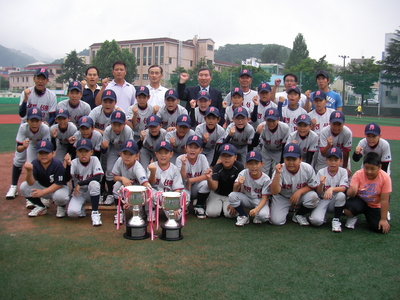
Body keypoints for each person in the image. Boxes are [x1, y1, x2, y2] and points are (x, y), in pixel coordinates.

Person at [269, 143, 319, 226]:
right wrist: (277, 174)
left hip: (300, 196)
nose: (291, 162)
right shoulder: (280, 169)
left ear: (300, 159)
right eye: (288, 159)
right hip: (283, 197)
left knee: (313, 197)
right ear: (284, 159)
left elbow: (313, 185)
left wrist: (299, 192)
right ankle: (284, 208)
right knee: (276, 221)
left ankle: (299, 213)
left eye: (294, 159)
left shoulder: (307, 168)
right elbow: (274, 191)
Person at [6, 108, 51, 202]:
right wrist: (23, 147)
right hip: (29, 144)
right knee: (27, 164)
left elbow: (47, 149)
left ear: (41, 121)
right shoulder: (23, 127)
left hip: (42, 146)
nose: (34, 123)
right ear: (27, 120)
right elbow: (18, 148)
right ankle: (24, 192)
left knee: (43, 163)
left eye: (37, 121)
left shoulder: (45, 128)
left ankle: (43, 191)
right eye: (32, 120)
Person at [19, 140, 70, 217]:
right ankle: (40, 206)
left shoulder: (57, 164)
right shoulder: (35, 163)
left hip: (57, 189)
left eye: (46, 153)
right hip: (43, 187)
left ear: (53, 153)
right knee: (24, 186)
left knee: (61, 196)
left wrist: (42, 192)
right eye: (41, 153)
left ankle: (61, 206)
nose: (43, 156)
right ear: (37, 154)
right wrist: (29, 172)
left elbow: (59, 184)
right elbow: (30, 183)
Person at [344, 152, 391, 234]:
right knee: (348, 209)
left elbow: (384, 200)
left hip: (375, 204)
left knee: (379, 228)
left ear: (380, 167)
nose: (369, 172)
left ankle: (382, 214)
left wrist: (383, 219)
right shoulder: (358, 174)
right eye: (366, 168)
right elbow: (349, 194)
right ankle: (354, 216)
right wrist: (352, 190)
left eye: (372, 169)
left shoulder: (385, 178)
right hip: (361, 200)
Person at [65, 138, 104, 226]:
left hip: (92, 193)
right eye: (81, 151)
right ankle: (81, 206)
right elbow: (67, 178)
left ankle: (95, 213)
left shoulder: (94, 160)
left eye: (86, 151)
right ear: (76, 152)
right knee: (72, 213)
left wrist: (80, 183)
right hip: (79, 192)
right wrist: (68, 166)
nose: (83, 154)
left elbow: (98, 177)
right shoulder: (74, 162)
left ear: (91, 152)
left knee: (94, 184)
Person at [309, 147, 349, 232]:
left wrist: (331, 189)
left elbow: (343, 188)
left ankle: (336, 219)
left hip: (336, 200)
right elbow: (319, 193)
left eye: (336, 160)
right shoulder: (321, 172)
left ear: (340, 161)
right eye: (330, 160)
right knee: (316, 221)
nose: (333, 163)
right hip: (324, 200)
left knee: (341, 195)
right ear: (326, 161)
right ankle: (323, 215)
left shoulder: (343, 172)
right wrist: (321, 185)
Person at [111, 140, 150, 225]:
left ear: (136, 156)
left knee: (140, 215)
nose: (127, 157)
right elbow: (114, 177)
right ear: (121, 154)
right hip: (126, 192)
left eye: (130, 154)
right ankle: (119, 212)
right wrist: (122, 178)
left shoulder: (138, 167)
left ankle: (144, 211)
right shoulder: (119, 161)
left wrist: (133, 201)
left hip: (137, 196)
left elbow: (145, 184)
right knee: (117, 185)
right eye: (125, 153)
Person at [228, 150, 271, 226]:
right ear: (246, 165)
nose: (254, 166)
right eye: (251, 164)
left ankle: (257, 216)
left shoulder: (266, 179)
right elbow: (234, 189)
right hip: (247, 198)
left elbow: (265, 198)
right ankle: (243, 215)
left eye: (256, 163)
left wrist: (257, 209)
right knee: (232, 195)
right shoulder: (243, 173)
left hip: (259, 200)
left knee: (264, 217)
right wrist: (238, 183)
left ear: (262, 164)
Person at [101, 110, 134, 205]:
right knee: (109, 170)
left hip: (126, 151)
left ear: (124, 124)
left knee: (126, 169)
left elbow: (130, 146)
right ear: (110, 123)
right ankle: (110, 194)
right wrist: (103, 147)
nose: (116, 127)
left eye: (119, 124)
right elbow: (104, 151)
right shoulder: (108, 130)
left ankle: (126, 192)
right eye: (114, 124)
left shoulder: (127, 130)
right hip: (113, 150)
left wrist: (124, 156)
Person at [147, 141, 185, 221]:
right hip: (156, 195)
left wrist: (174, 205)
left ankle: (177, 209)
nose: (163, 155)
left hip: (169, 197)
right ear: (156, 154)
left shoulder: (174, 169)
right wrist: (153, 172)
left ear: (171, 154)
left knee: (176, 218)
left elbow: (177, 189)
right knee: (149, 191)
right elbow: (151, 183)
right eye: (160, 153)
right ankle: (151, 210)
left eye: (166, 153)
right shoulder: (152, 166)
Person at [205, 144, 244, 218]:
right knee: (212, 213)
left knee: (231, 215)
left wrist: (234, 201)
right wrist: (209, 179)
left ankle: (222, 207)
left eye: (229, 156)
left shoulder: (239, 166)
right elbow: (214, 188)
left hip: (231, 195)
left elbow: (240, 186)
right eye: (223, 156)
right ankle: (213, 203)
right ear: (220, 157)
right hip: (217, 194)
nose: (226, 159)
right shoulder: (217, 167)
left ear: (235, 157)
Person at [175, 135, 210, 218]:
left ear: (201, 150)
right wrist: (183, 165)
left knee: (206, 184)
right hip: (183, 187)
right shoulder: (180, 158)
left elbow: (207, 175)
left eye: (196, 147)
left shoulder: (202, 158)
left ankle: (199, 206)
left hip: (196, 187)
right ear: (186, 148)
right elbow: (181, 178)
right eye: (190, 147)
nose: (192, 150)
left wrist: (191, 180)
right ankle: (186, 206)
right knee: (184, 202)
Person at [252, 107, 289, 176]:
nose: (271, 123)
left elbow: (284, 146)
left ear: (278, 119)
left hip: (279, 150)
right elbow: (254, 144)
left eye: (273, 120)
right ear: (265, 119)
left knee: (278, 172)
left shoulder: (284, 128)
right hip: (266, 150)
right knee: (264, 172)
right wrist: (257, 133)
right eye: (269, 120)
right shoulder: (261, 127)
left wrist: (281, 162)